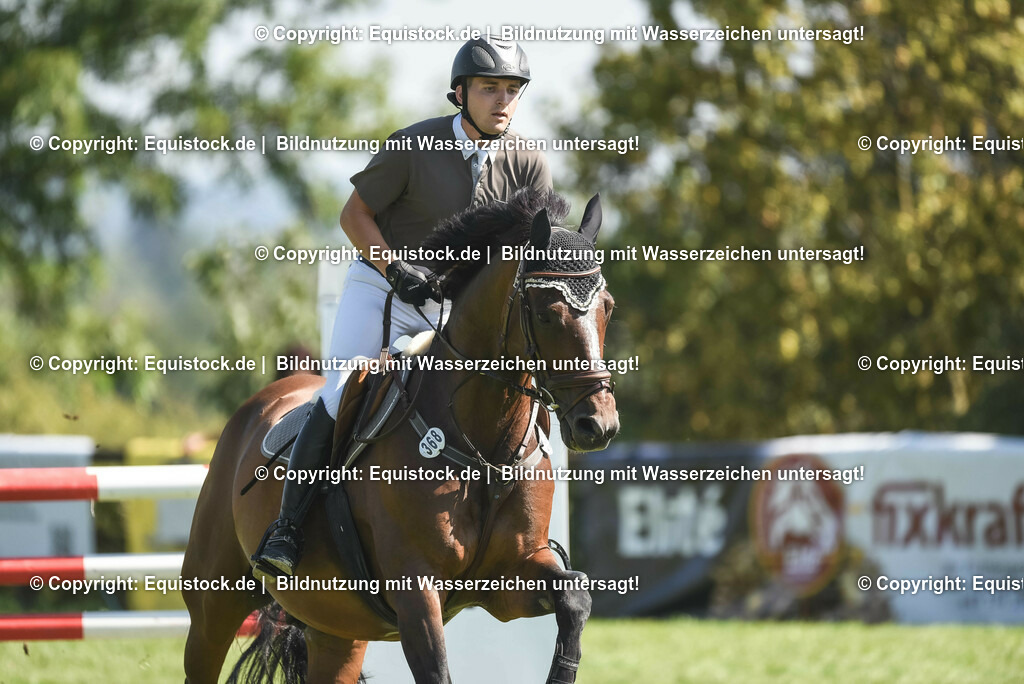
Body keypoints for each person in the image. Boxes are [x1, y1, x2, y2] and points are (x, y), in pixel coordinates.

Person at [251, 37, 552, 580]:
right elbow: (354, 216)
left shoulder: (528, 162)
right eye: (489, 89)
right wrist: (395, 269)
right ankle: (289, 527)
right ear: (460, 94)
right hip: (381, 291)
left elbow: (533, 249)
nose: (502, 101)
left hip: (451, 309)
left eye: (512, 90)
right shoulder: (413, 146)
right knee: (344, 388)